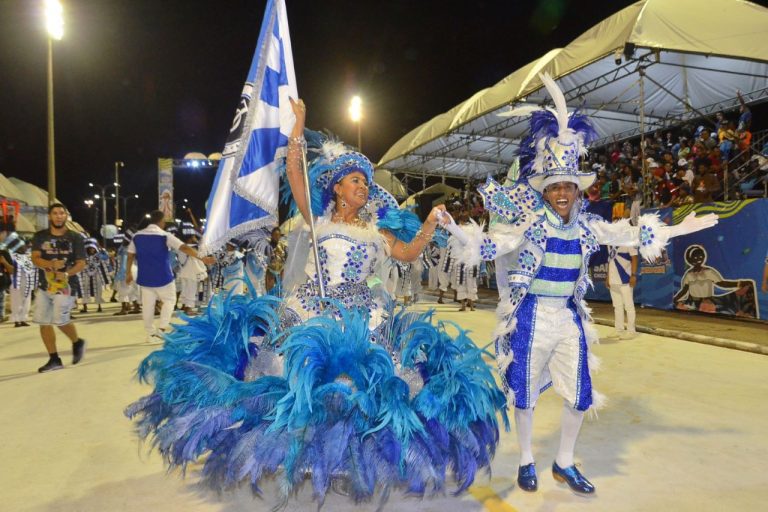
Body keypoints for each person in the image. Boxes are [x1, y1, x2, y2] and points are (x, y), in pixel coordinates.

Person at [125, 98, 507, 504]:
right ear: (337, 189)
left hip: (364, 316)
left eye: (366, 182)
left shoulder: (378, 232)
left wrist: (430, 224)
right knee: (300, 382)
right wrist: (298, 127)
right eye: (356, 181)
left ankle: (350, 459)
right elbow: (294, 173)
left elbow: (410, 254)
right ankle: (302, 454)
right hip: (312, 309)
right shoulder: (318, 220)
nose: (363, 186)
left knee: (361, 388)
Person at [444, 74, 717, 496]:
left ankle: (564, 462)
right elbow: (491, 244)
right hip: (532, 315)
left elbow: (628, 234)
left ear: (577, 190)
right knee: (524, 394)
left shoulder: (589, 226)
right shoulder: (531, 224)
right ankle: (526, 460)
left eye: (567, 187)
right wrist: (456, 231)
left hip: (569, 318)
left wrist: (680, 227)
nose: (561, 193)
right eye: (553, 187)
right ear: (545, 191)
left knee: (580, 396)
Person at [125, 210, 213, 343]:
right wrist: (203, 258)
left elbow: (130, 255)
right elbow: (184, 247)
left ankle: (150, 334)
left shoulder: (137, 236)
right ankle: (161, 330)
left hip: (145, 278)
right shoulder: (164, 235)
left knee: (148, 305)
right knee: (170, 300)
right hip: (163, 277)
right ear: (162, 222)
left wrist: (128, 273)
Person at [30, 203, 88, 373]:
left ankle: (77, 341)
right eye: (55, 213)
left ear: (66, 216)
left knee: (59, 319)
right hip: (45, 285)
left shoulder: (75, 238)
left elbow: (81, 263)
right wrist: (51, 264)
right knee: (43, 321)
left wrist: (67, 273)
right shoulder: (40, 236)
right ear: (50, 216)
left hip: (66, 286)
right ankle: (54, 359)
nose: (58, 216)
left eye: (62, 213)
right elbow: (35, 258)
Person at [605, 211, 639, 338]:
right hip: (613, 279)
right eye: (613, 221)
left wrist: (633, 275)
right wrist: (608, 276)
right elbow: (610, 259)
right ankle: (618, 329)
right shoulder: (609, 241)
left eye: (616, 221)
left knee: (628, 306)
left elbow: (634, 258)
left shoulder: (629, 239)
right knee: (617, 306)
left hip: (625, 278)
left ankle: (631, 331)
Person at [7, 236, 38, 327]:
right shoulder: (12, 255)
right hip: (16, 282)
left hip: (27, 282)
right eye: (25, 245)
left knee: (26, 301)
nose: (26, 247)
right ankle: (16, 320)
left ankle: (23, 319)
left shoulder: (27, 256)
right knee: (16, 301)